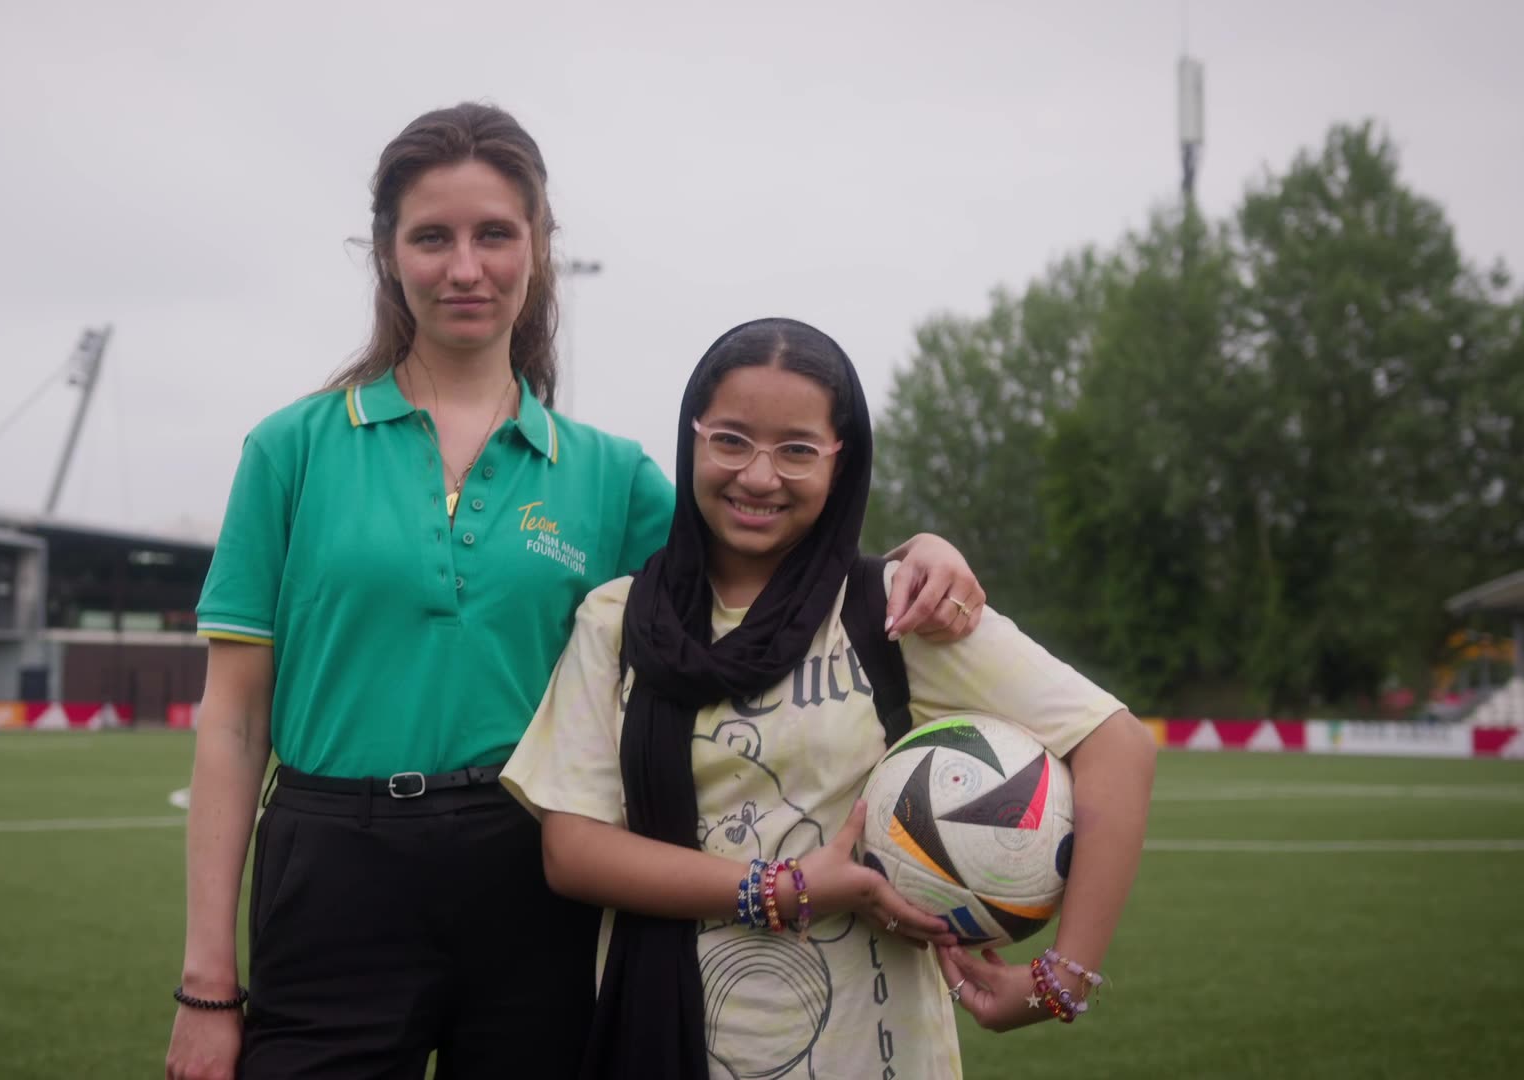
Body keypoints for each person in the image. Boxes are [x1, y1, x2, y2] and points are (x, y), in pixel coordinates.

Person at [164, 106, 989, 1080]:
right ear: (387, 254)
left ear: (539, 249)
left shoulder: (609, 476)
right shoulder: (290, 450)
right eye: (432, 237)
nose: (464, 267)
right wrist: (208, 983)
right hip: (332, 867)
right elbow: (230, 725)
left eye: (494, 235)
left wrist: (913, 550)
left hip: (533, 880)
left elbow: (762, 557)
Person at [501, 317, 1157, 1079]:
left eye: (797, 450)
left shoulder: (897, 608)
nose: (758, 475)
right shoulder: (617, 620)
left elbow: (1118, 745)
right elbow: (574, 852)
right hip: (664, 1039)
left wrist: (1060, 982)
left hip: (872, 1051)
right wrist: (789, 888)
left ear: (841, 463)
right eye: (732, 440)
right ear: (693, 439)